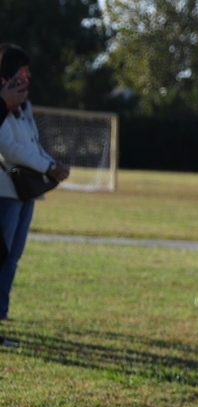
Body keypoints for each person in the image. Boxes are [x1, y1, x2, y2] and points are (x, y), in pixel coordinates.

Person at [0, 44, 71, 348]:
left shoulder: (22, 105)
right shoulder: (2, 104)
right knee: (2, 256)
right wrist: (47, 166)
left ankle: (1, 314)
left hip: (26, 189)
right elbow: (10, 148)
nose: (26, 77)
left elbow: (31, 142)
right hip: (5, 191)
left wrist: (52, 164)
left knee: (12, 256)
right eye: (20, 71)